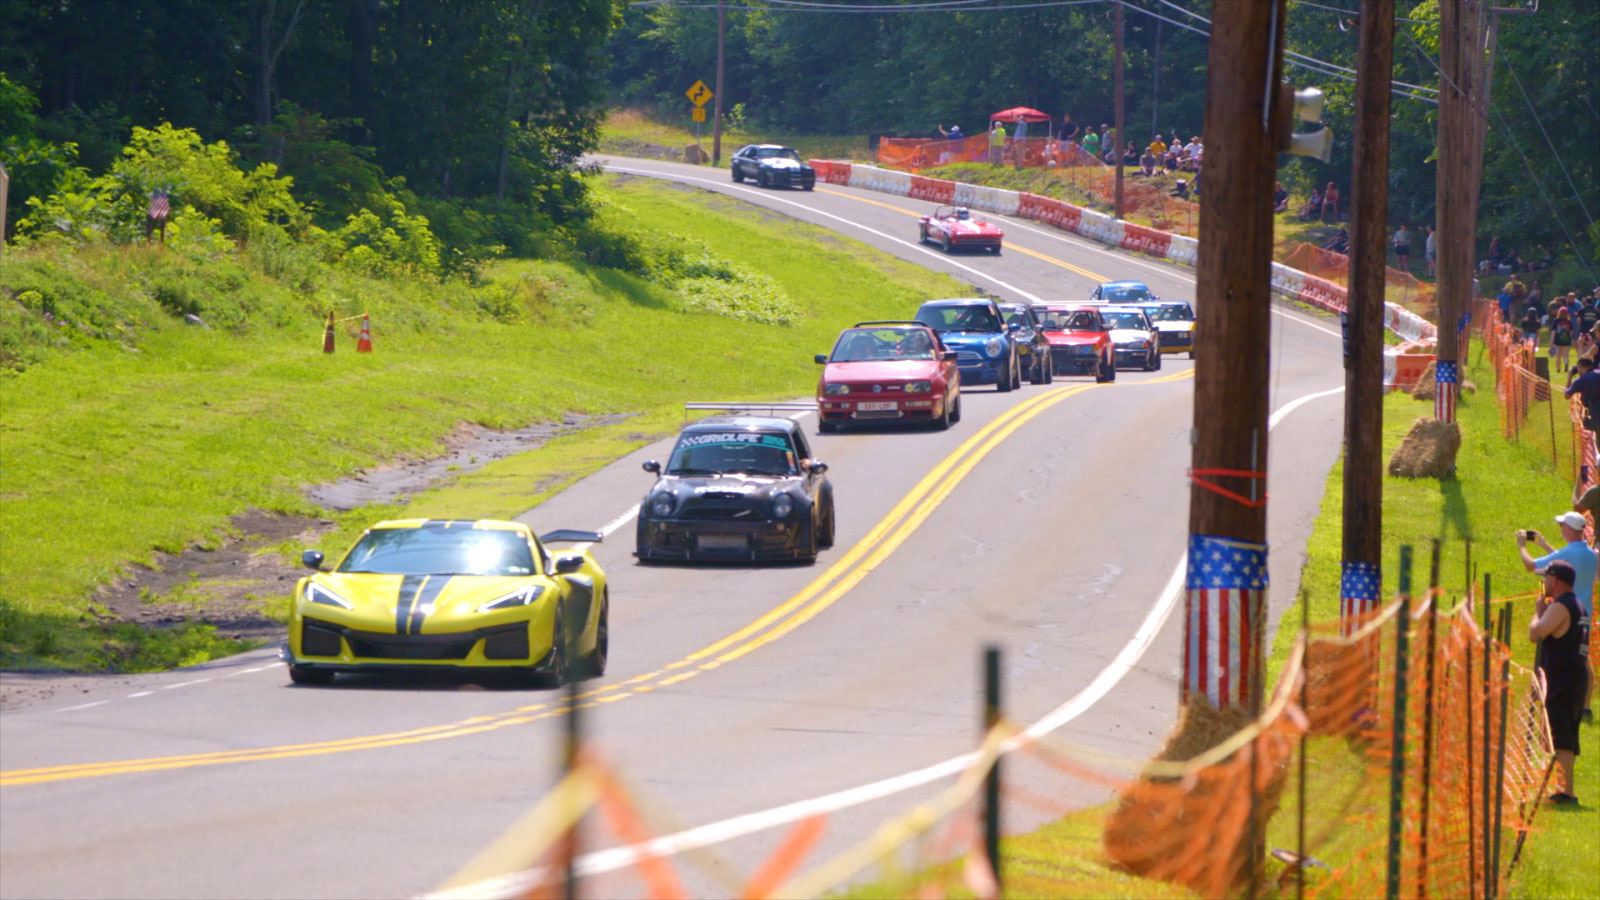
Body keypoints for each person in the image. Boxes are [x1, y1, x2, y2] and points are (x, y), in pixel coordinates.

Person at [1527, 560, 1591, 804]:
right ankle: (1563, 788)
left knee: (1561, 737)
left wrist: (1538, 612)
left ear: (1555, 580)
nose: (1544, 582)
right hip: (1573, 678)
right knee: (1563, 735)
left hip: (1562, 680)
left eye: (1546, 578)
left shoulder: (1561, 606)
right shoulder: (1578, 606)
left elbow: (1536, 633)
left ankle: (1565, 792)